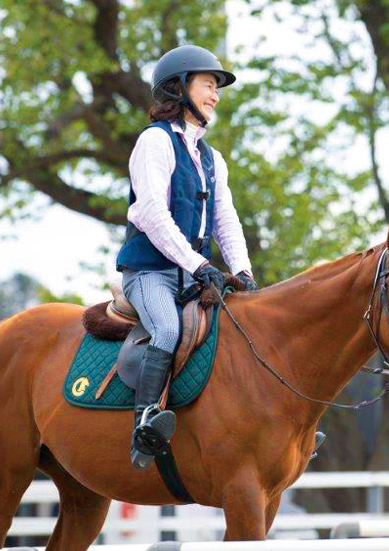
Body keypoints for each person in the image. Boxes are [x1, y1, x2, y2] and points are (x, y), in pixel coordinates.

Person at [115, 44, 258, 470]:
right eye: (208, 85)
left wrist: (243, 271)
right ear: (179, 88)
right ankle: (145, 427)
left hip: (194, 277)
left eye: (217, 88)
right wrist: (199, 264)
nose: (215, 95)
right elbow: (152, 215)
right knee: (167, 330)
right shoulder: (153, 143)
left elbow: (225, 219)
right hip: (150, 274)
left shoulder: (213, 159)